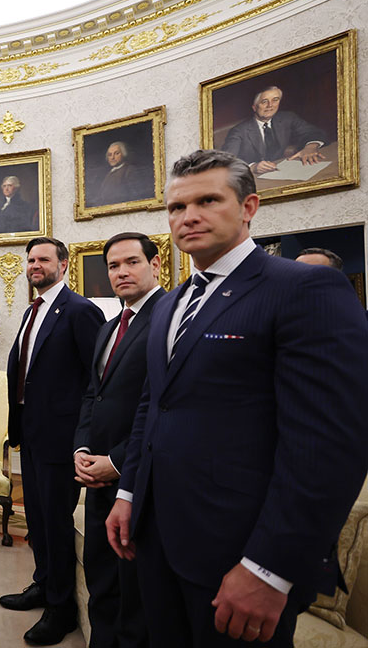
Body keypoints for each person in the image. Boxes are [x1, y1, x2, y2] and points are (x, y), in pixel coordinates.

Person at [106, 149, 368, 646]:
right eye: (177, 207)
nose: (189, 216)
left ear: (249, 207)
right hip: (158, 540)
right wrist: (129, 493)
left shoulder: (304, 288)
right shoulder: (172, 303)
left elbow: (328, 445)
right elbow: (153, 407)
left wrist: (270, 568)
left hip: (240, 551)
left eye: (208, 200)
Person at [0, 236, 104, 646]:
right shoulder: (33, 310)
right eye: (30, 260)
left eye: (43, 259)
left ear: (63, 264)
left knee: (57, 523)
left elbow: (97, 379)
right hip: (31, 431)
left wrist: (86, 437)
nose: (35, 266)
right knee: (38, 520)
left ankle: (61, 609)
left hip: (62, 436)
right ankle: (43, 584)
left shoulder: (80, 310)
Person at [72, 232, 163, 648]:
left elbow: (164, 405)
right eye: (113, 266)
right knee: (101, 582)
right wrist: (82, 448)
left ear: (156, 264)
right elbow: (94, 394)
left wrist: (118, 461)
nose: (121, 272)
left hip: (141, 478)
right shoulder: (109, 327)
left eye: (132, 262)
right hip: (97, 477)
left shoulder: (169, 318)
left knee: (135, 596)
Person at [220, 86, 327, 175]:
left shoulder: (287, 118)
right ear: (254, 107)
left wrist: (310, 147)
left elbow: (315, 132)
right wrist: (252, 167)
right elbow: (225, 163)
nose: (270, 105)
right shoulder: (239, 131)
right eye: (264, 101)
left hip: (283, 171)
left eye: (275, 100)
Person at [92, 142, 153, 206]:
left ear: (124, 154)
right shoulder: (109, 173)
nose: (112, 157)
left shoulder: (130, 170)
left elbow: (135, 195)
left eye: (116, 153)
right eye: (110, 155)